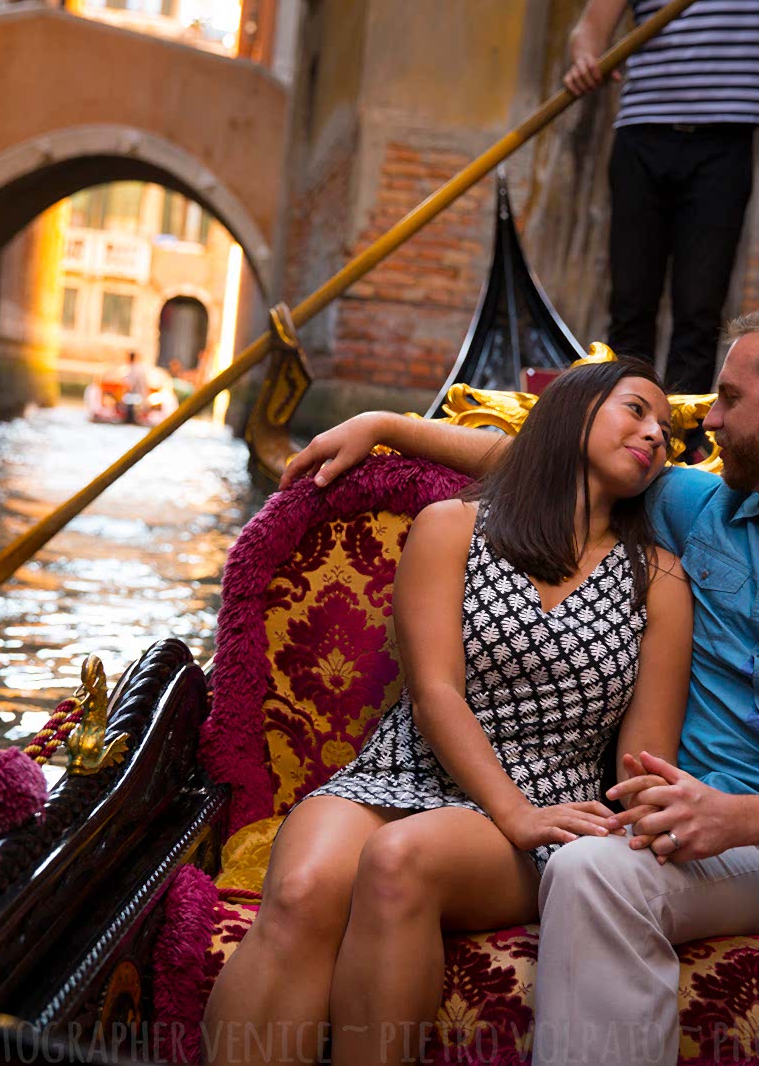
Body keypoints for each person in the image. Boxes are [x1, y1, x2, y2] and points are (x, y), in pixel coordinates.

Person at [280, 307, 759, 1066]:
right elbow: (546, 461)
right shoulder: (696, 505)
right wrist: (388, 425)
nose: (706, 421)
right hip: (694, 839)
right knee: (589, 871)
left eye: (727, 397)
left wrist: (739, 816)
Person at [203, 359, 695, 1064]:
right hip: (403, 768)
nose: (655, 435)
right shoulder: (451, 527)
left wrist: (564, 824)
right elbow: (437, 693)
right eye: (637, 410)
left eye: (667, 433)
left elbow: (640, 759)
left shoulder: (661, 579)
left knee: (400, 859)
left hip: (545, 805)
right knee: (304, 885)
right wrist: (382, 424)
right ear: (573, 412)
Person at [564, 0, 759, 395]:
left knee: (700, 307)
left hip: (723, 144)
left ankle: (685, 431)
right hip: (643, 138)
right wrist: (585, 58)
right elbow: (588, 30)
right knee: (630, 302)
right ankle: (624, 419)